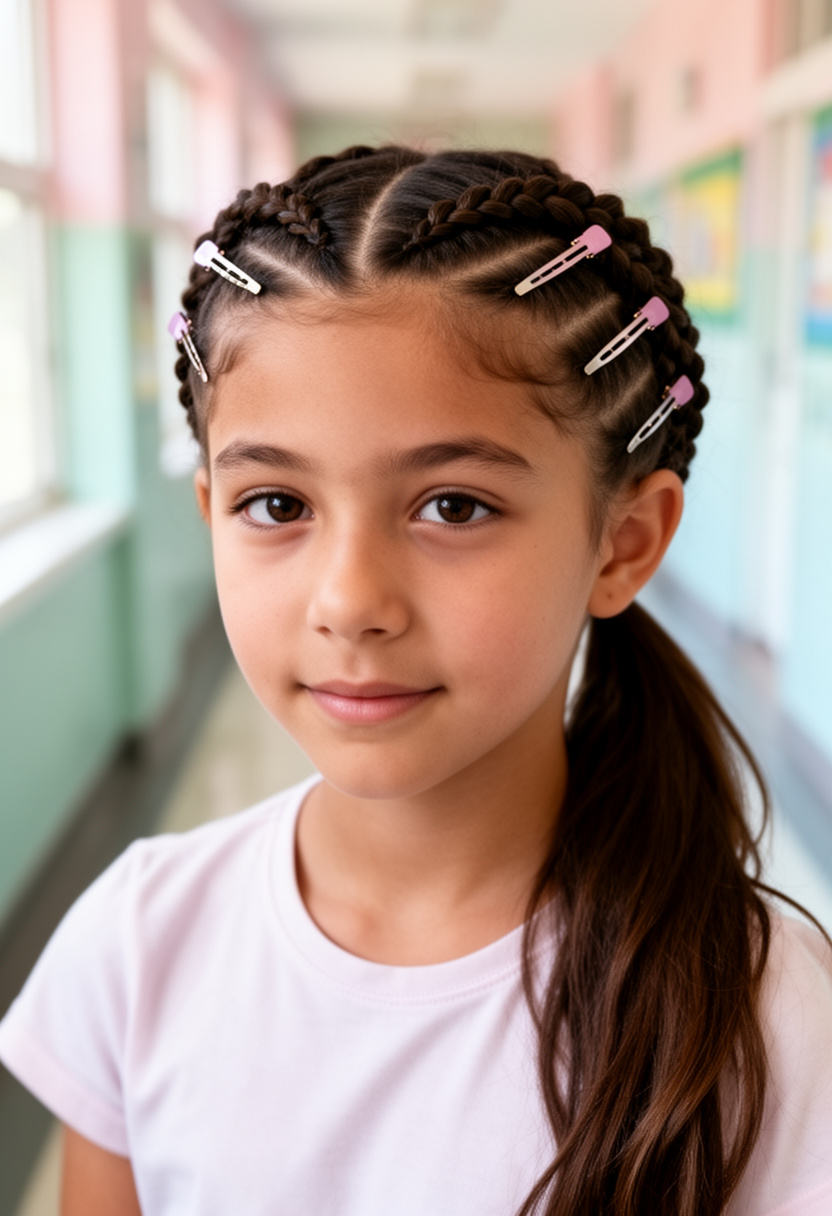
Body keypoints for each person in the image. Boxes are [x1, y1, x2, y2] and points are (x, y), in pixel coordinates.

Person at [2, 146, 831, 1216]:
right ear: (210, 511)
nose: (350, 600)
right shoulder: (136, 948)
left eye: (452, 506)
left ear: (623, 542)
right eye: (277, 505)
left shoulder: (768, 1013)